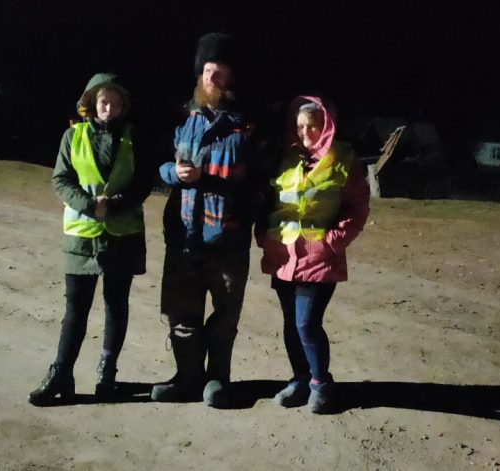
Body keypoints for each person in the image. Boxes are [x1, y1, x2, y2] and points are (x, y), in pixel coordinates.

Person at [28, 73, 152, 406]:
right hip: (82, 238)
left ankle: (107, 375)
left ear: (124, 106)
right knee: (76, 309)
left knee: (116, 305)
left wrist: (115, 205)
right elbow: (61, 179)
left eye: (115, 102)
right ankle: (61, 374)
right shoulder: (73, 136)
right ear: (91, 104)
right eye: (103, 102)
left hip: (123, 234)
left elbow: (143, 182)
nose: (109, 108)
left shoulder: (134, 138)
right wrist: (89, 205)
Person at [151, 33, 259, 408]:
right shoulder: (182, 119)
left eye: (220, 71)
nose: (212, 77)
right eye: (207, 70)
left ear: (231, 78)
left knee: (225, 318)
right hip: (184, 236)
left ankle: (217, 380)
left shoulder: (247, 126)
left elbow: (262, 178)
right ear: (199, 75)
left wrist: (240, 197)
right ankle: (187, 377)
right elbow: (158, 164)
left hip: (228, 239)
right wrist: (173, 173)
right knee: (182, 315)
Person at [256, 96, 370, 413]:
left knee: (306, 323)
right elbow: (266, 200)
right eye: (300, 126)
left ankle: (321, 384)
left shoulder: (342, 157)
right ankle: (300, 379)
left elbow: (357, 207)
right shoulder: (285, 157)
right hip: (283, 256)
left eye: (312, 126)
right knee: (291, 325)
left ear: (326, 126)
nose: (305, 132)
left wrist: (332, 242)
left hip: (320, 257)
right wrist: (263, 235)